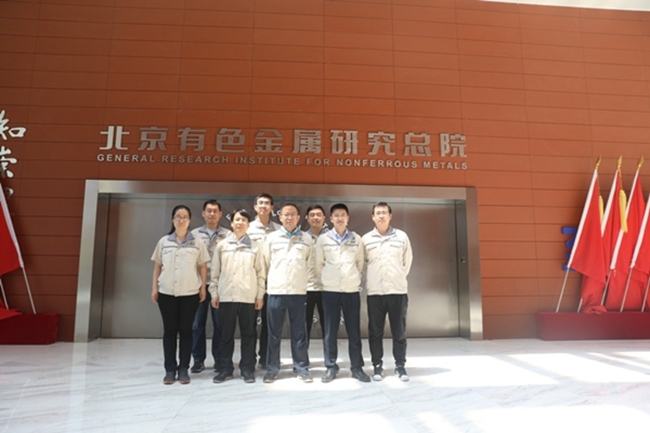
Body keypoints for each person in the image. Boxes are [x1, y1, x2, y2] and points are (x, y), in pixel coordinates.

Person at [151, 205, 209, 385]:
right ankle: (170, 369)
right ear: (173, 220)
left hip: (190, 293)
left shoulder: (197, 242)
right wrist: (154, 288)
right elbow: (157, 266)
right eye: (178, 216)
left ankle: (183, 368)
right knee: (169, 331)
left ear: (190, 220)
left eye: (185, 217)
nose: (181, 220)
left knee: (186, 331)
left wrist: (203, 288)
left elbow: (202, 266)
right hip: (166, 292)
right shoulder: (164, 241)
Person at [314, 203, 370, 383]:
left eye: (343, 215)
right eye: (336, 215)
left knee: (354, 331)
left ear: (348, 218)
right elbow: (318, 265)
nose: (339, 218)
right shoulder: (323, 239)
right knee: (330, 331)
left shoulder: (356, 239)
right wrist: (329, 279)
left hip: (351, 291)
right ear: (331, 219)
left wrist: (351, 278)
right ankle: (331, 367)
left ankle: (357, 367)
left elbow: (360, 263)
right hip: (330, 291)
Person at [210, 209, 266, 384]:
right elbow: (215, 273)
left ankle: (247, 369)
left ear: (248, 224)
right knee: (225, 334)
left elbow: (260, 274)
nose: (240, 223)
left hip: (248, 297)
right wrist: (214, 293)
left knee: (249, 334)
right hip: (226, 296)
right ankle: (225, 369)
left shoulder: (256, 246)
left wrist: (259, 295)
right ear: (231, 223)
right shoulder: (222, 245)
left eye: (243, 220)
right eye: (237, 220)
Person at [261, 203, 313, 383]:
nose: (289, 217)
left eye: (293, 214)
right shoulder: (272, 238)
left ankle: (301, 368)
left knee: (299, 333)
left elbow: (309, 264)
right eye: (286, 214)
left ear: (298, 218)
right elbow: (265, 263)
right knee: (273, 333)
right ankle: (272, 369)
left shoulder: (306, 238)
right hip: (276, 291)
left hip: (298, 292)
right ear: (280, 217)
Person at [362, 202, 413, 382]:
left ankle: (400, 366)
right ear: (373, 217)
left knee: (399, 331)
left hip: (397, 291)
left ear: (390, 216)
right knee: (375, 332)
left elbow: (407, 261)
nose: (381, 216)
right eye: (378, 213)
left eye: (384, 213)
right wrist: (374, 278)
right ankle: (377, 365)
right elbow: (363, 265)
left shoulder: (401, 237)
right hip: (375, 293)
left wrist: (396, 277)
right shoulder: (366, 239)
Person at [190, 200, 232, 374]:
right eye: (209, 211)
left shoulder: (228, 234)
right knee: (197, 325)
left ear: (220, 214)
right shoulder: (193, 234)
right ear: (203, 213)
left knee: (219, 325)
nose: (212, 214)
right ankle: (198, 360)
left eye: (215, 211)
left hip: (219, 285)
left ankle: (219, 360)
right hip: (197, 284)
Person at [246, 193, 281, 369]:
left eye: (267, 203)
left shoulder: (279, 229)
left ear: (272, 208)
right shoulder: (247, 228)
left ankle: (266, 358)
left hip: (273, 282)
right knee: (250, 324)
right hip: (251, 282)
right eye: (260, 203)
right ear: (255, 207)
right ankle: (249, 359)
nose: (263, 206)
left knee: (269, 324)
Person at [304, 204, 327, 346]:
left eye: (319, 215)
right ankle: (302, 358)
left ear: (324, 218)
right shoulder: (301, 238)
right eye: (312, 215)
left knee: (328, 326)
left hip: (327, 288)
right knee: (303, 326)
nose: (315, 218)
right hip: (306, 287)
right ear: (307, 218)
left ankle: (330, 357)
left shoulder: (331, 238)